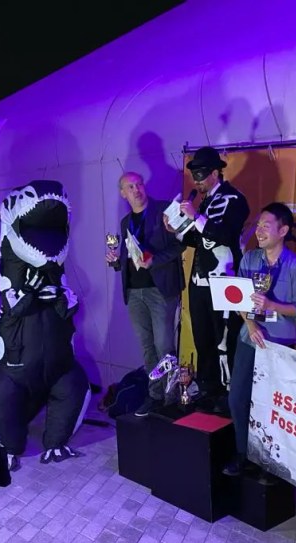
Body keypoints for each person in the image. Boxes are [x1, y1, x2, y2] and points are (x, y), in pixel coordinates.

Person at [223, 203, 296, 476]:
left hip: (280, 345)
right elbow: (237, 299)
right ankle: (242, 454)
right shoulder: (249, 259)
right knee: (238, 398)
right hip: (250, 338)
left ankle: (272, 463)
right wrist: (250, 325)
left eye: (266, 226)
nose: (259, 231)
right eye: (258, 225)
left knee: (273, 406)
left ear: (282, 231)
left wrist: (272, 305)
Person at [165, 146, 249, 413]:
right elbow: (197, 238)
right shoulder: (204, 202)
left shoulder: (234, 199)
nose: (197, 181)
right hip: (199, 279)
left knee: (224, 338)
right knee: (202, 337)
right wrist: (177, 228)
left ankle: (229, 395)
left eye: (201, 175)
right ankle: (208, 389)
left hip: (224, 279)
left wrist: (196, 217)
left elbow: (223, 234)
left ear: (215, 173)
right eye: (194, 176)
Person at [107, 172, 184, 417]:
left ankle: (172, 398)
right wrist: (115, 261)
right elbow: (129, 256)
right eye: (130, 187)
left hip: (160, 290)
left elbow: (181, 244)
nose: (136, 189)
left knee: (164, 346)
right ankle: (155, 395)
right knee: (147, 347)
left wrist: (155, 260)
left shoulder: (163, 210)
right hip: (134, 292)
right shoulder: (125, 222)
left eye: (139, 184)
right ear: (123, 194)